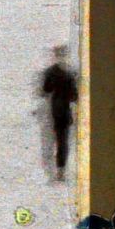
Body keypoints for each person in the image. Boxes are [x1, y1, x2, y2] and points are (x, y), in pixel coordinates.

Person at [40, 45, 78, 182]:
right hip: (65, 112)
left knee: (52, 141)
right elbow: (75, 96)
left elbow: (45, 90)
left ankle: (55, 171)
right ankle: (60, 170)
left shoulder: (50, 72)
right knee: (63, 142)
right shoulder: (70, 73)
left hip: (54, 111)